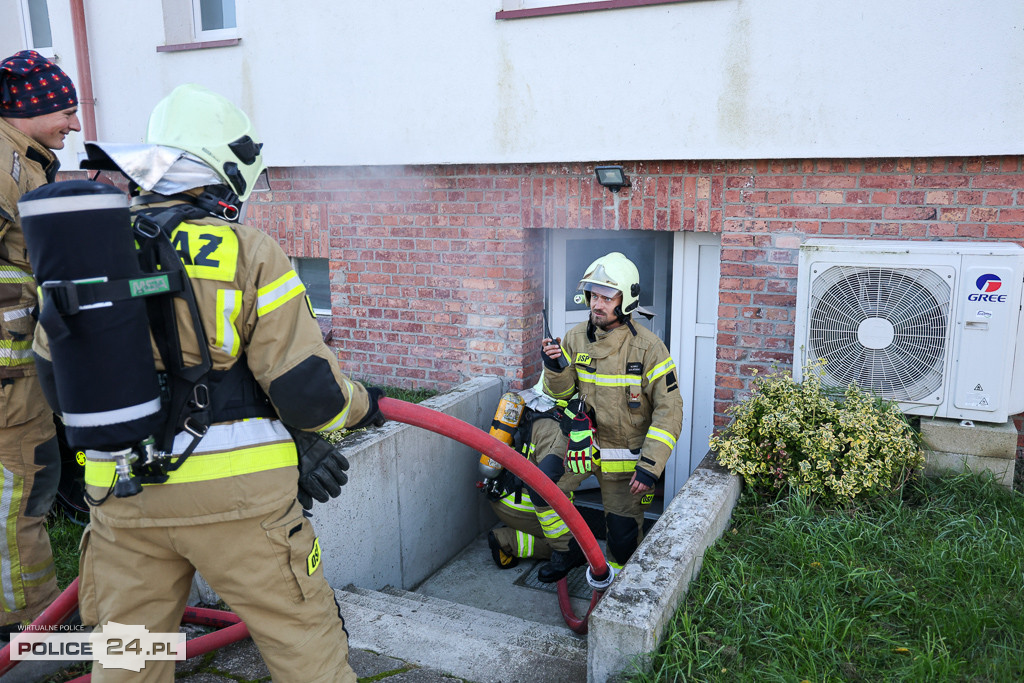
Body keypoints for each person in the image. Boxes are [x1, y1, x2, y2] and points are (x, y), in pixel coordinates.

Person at [30, 84, 381, 682]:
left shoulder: (86, 250)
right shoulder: (249, 250)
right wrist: (362, 404)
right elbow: (307, 393)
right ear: (226, 171)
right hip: (240, 504)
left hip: (121, 497)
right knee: (305, 648)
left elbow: (56, 384)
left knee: (129, 660)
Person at [527, 252, 683, 582]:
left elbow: (670, 413)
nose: (597, 304)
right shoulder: (573, 338)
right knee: (543, 489)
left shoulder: (650, 348)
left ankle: (612, 588)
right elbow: (562, 394)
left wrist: (650, 466)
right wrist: (554, 367)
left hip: (625, 461)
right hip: (579, 446)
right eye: (593, 296)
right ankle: (566, 551)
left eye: (606, 297)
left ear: (625, 301)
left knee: (624, 539)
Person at [0, 49, 80, 633]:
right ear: (28, 109)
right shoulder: (5, 163)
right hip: (9, 372)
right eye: (66, 111)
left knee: (34, 480)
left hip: (20, 364)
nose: (74, 125)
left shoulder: (21, 157)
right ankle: (28, 630)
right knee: (21, 493)